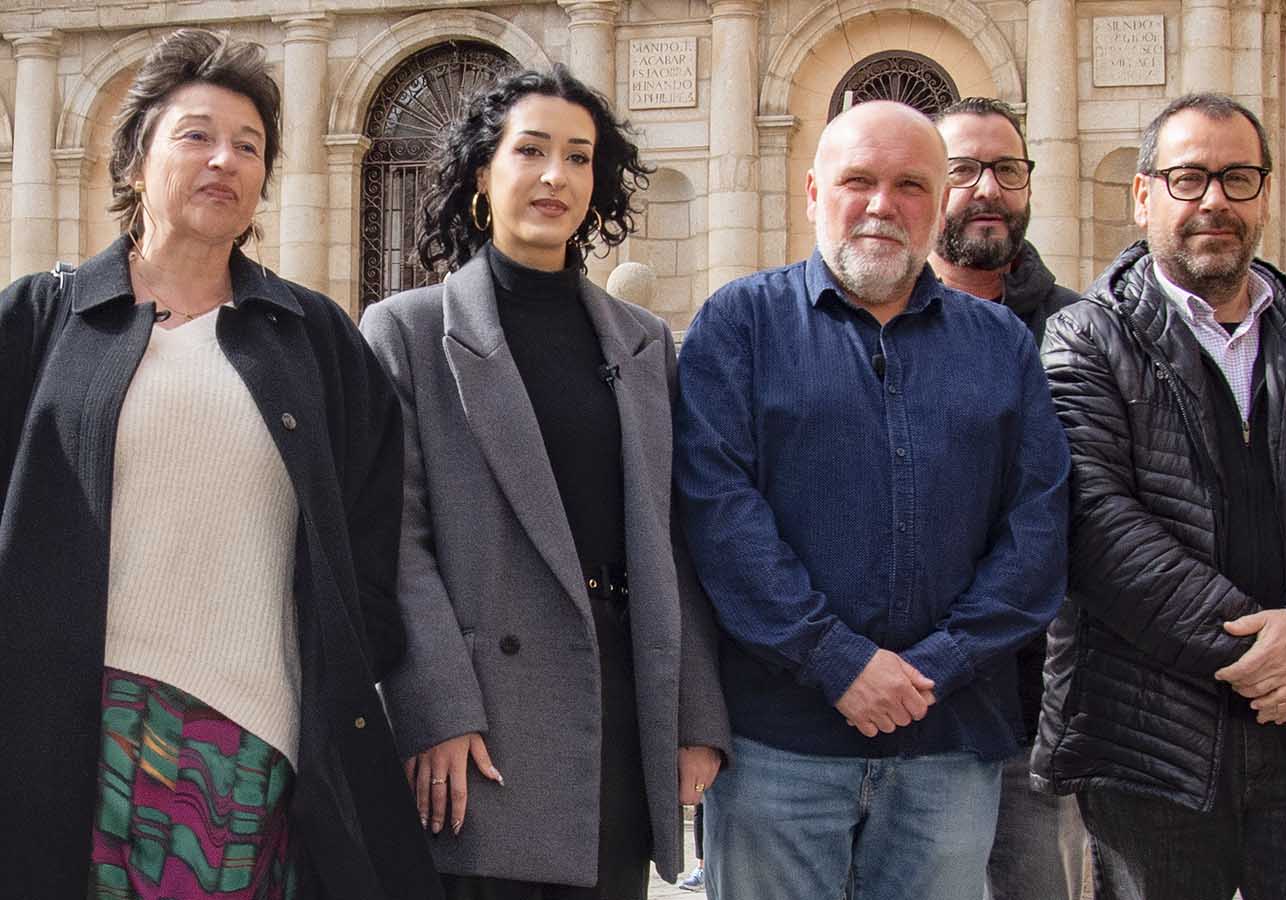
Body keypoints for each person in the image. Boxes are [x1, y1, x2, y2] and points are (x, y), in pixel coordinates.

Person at [0, 28, 440, 899]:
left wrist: (352, 672)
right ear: (133, 161)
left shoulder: (317, 340)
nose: (224, 161)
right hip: (68, 726)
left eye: (249, 146)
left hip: (251, 726)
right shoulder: (39, 321)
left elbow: (371, 534)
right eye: (195, 135)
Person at [673, 99, 1070, 900]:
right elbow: (718, 516)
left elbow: (1038, 530)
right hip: (777, 744)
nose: (883, 205)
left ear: (939, 201)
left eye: (911, 185)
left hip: (949, 743)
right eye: (858, 181)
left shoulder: (999, 347)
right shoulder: (738, 325)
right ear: (814, 191)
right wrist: (838, 661)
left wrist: (932, 668)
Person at [1032, 92, 1286, 900]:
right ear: (1143, 196)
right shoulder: (1083, 339)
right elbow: (1095, 524)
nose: (1213, 200)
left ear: (1266, 195)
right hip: (1151, 747)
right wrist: (1263, 655)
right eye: (1188, 177)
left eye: (1237, 178)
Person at [359, 65, 731, 900]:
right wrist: (436, 709)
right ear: (482, 175)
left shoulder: (640, 343)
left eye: (578, 156)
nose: (555, 176)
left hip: (616, 703)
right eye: (530, 151)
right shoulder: (407, 332)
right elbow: (394, 543)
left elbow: (678, 537)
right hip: (483, 721)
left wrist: (696, 716)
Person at [926, 96, 1087, 900]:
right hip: (906, 703)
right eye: (962, 170)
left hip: (1036, 711)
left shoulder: (1083, 332)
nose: (986, 188)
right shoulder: (865, 322)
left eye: (1007, 170)